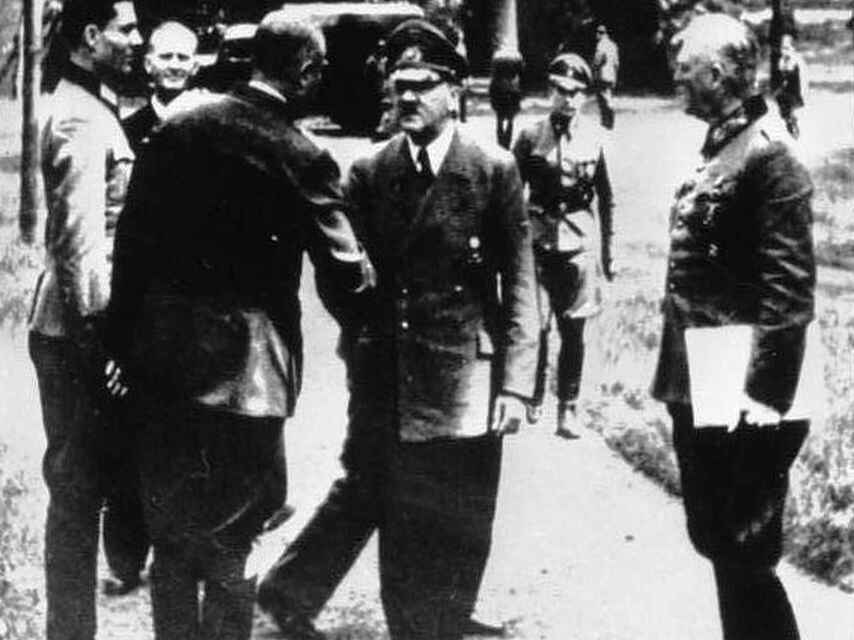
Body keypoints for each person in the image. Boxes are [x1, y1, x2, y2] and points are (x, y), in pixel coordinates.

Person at [260, 18, 539, 640]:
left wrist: (518, 385)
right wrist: (363, 338)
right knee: (397, 508)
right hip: (390, 369)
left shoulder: (492, 168)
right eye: (399, 85)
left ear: (454, 91)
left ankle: (448, 614)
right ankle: (412, 623)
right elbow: (340, 276)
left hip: (466, 370)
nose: (408, 96)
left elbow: (521, 282)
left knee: (468, 508)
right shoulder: (369, 171)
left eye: (423, 84)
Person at [105, 13, 372, 640]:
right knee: (234, 539)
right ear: (306, 72)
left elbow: (132, 246)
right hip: (247, 377)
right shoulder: (302, 154)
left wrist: (120, 345)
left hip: (161, 363)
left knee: (172, 535)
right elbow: (346, 273)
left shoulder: (179, 128)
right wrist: (368, 321)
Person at [651, 13, 815, 640]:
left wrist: (764, 400)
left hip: (744, 392)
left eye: (684, 66)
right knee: (721, 543)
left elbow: (788, 293)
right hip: (705, 378)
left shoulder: (770, 155)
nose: (675, 76)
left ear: (718, 74)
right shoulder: (726, 144)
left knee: (744, 552)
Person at [27, 0, 141, 637]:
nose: (136, 40)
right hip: (77, 330)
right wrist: (101, 344)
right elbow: (80, 245)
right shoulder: (80, 116)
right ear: (92, 36)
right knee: (76, 490)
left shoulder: (90, 104)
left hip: (77, 326)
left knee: (84, 484)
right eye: (127, 28)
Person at [512, 53, 615, 439]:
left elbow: (607, 199)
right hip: (537, 244)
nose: (568, 99)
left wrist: (609, 254)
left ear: (585, 96)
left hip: (578, 245)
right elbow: (510, 194)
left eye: (576, 92)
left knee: (573, 332)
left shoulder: (597, 138)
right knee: (536, 327)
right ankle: (533, 394)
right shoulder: (529, 136)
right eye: (561, 90)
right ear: (550, 91)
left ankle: (567, 408)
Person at [122, 20, 199, 153]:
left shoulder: (210, 123)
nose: (174, 66)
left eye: (183, 58)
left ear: (195, 67)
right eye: (165, 57)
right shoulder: (129, 129)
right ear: (148, 64)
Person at [488, 47, 523, 149]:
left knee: (499, 119)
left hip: (499, 91)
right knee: (510, 119)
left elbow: (492, 77)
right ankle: (507, 142)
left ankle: (500, 142)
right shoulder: (517, 58)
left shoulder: (496, 59)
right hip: (512, 90)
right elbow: (521, 73)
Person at [775, 33, 808, 139]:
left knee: (785, 100)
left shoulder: (795, 59)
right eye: (782, 48)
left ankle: (793, 124)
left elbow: (801, 77)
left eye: (786, 48)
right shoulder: (782, 60)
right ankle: (789, 123)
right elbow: (782, 76)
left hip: (796, 90)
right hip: (787, 90)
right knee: (779, 98)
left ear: (792, 48)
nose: (784, 51)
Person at [591, 23, 619, 130]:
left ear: (600, 34)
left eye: (597, 33)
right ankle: (610, 122)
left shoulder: (601, 45)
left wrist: (593, 68)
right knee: (608, 97)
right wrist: (615, 76)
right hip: (611, 76)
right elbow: (616, 63)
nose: (596, 35)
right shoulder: (613, 45)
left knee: (602, 101)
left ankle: (606, 122)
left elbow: (598, 60)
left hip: (602, 75)